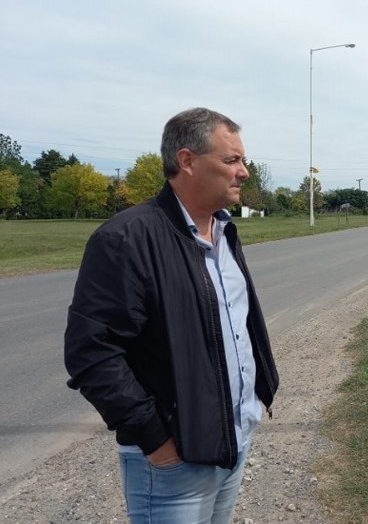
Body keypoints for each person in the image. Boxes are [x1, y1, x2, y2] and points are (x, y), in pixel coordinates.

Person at [64, 107, 279, 523]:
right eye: (232, 160)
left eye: (243, 160)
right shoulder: (127, 238)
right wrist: (155, 440)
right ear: (187, 161)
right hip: (173, 461)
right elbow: (92, 354)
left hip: (231, 442)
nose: (245, 172)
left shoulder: (223, 231)